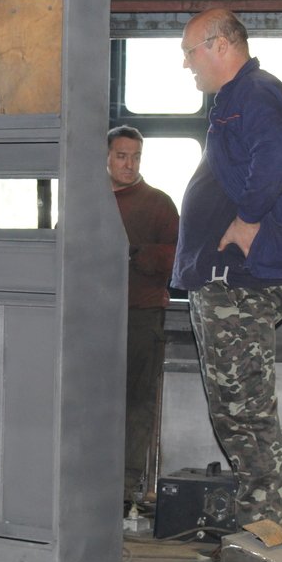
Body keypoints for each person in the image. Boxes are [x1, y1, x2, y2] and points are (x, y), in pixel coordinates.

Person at [170, 8, 282, 543]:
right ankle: (256, 533)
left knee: (245, 412)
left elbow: (278, 158)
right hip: (223, 282)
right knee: (233, 413)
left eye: (189, 52)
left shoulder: (255, 92)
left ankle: (265, 538)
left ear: (219, 45)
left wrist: (247, 220)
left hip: (239, 283)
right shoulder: (237, 98)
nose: (187, 65)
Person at [107, 125, 179, 503]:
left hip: (141, 316)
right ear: (106, 157)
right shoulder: (87, 199)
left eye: (135, 157)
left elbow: (178, 257)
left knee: (136, 404)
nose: (129, 164)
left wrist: (138, 254)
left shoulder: (158, 204)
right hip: (89, 316)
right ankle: (86, 478)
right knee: (88, 399)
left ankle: (124, 487)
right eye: (122, 156)